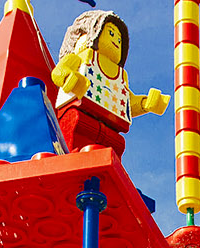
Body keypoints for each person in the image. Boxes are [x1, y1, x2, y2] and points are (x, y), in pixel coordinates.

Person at [51, 10, 167, 156]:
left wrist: (146, 104)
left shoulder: (120, 76)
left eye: (119, 40)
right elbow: (58, 72)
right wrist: (68, 77)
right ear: (92, 33)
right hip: (80, 119)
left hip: (111, 130)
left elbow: (127, 103)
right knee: (77, 138)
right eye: (111, 34)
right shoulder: (81, 58)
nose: (116, 42)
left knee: (114, 146)